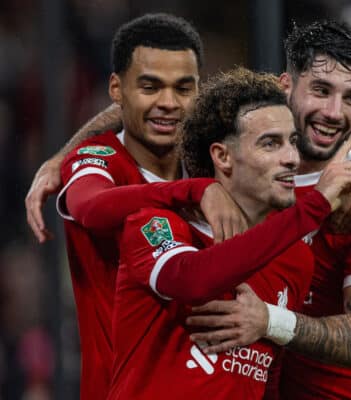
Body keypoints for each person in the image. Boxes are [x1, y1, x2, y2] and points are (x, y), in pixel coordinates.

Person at [108, 67, 351, 398]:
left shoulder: (295, 259)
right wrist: (314, 206)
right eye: (270, 144)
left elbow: (269, 378)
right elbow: (192, 280)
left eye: (292, 142)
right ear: (223, 156)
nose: (291, 158)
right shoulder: (157, 224)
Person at [186, 20, 351, 400]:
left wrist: (269, 322)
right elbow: (153, 112)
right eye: (321, 91)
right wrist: (200, 188)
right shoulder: (238, 172)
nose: (334, 112)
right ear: (285, 86)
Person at [51, 14, 247, 400]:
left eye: (182, 88)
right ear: (116, 89)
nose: (169, 103)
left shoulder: (219, 166)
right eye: (150, 86)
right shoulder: (99, 159)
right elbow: (90, 207)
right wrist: (192, 191)